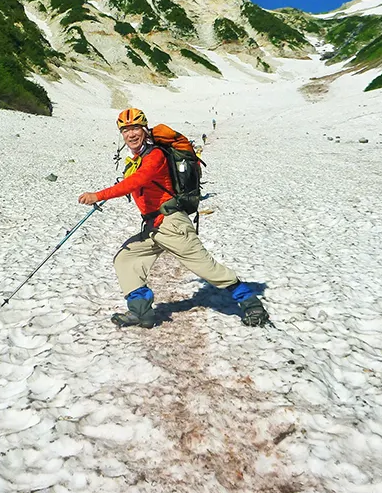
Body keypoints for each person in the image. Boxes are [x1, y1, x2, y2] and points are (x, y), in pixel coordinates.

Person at [78, 108, 269, 328]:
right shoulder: (137, 158)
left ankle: (250, 302)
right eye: (126, 130)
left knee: (208, 269)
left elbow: (137, 181)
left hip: (172, 224)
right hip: (155, 226)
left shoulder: (156, 155)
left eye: (135, 128)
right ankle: (141, 311)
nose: (131, 134)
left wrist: (99, 195)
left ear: (145, 129)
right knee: (126, 258)